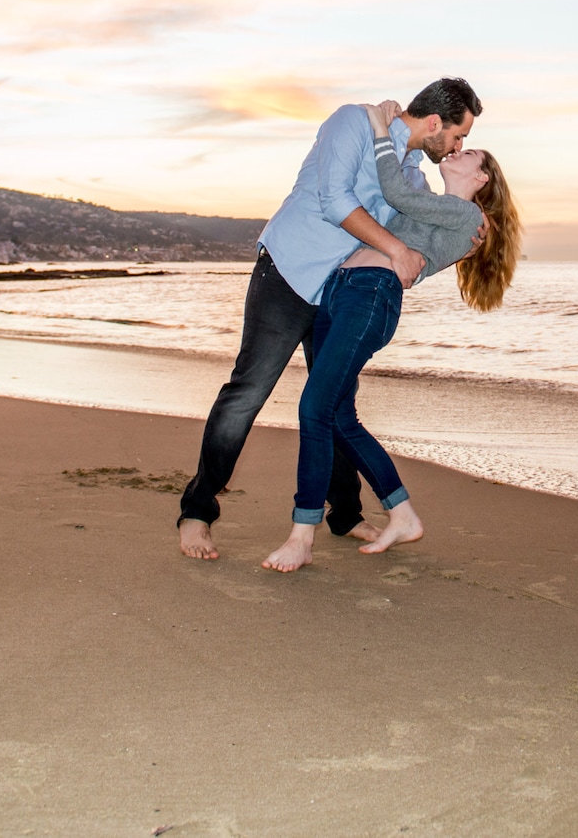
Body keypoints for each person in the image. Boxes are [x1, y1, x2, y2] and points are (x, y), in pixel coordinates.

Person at [176, 78, 484, 560]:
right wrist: (398, 248)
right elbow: (335, 201)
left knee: (335, 403)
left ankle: (345, 515)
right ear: (433, 123)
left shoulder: (413, 178)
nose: (458, 146)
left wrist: (460, 231)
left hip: (339, 291)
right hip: (289, 271)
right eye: (458, 135)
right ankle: (197, 512)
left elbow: (410, 258)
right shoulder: (353, 123)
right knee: (248, 392)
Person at [262, 101, 521, 572]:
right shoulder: (439, 204)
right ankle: (400, 512)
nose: (458, 151)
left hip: (369, 297)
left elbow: (396, 191)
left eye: (469, 151)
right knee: (339, 417)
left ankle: (302, 535)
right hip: (339, 291)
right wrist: (396, 139)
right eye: (459, 140)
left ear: (480, 180)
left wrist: (382, 130)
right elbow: (393, 188)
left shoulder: (465, 220)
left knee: (314, 409)